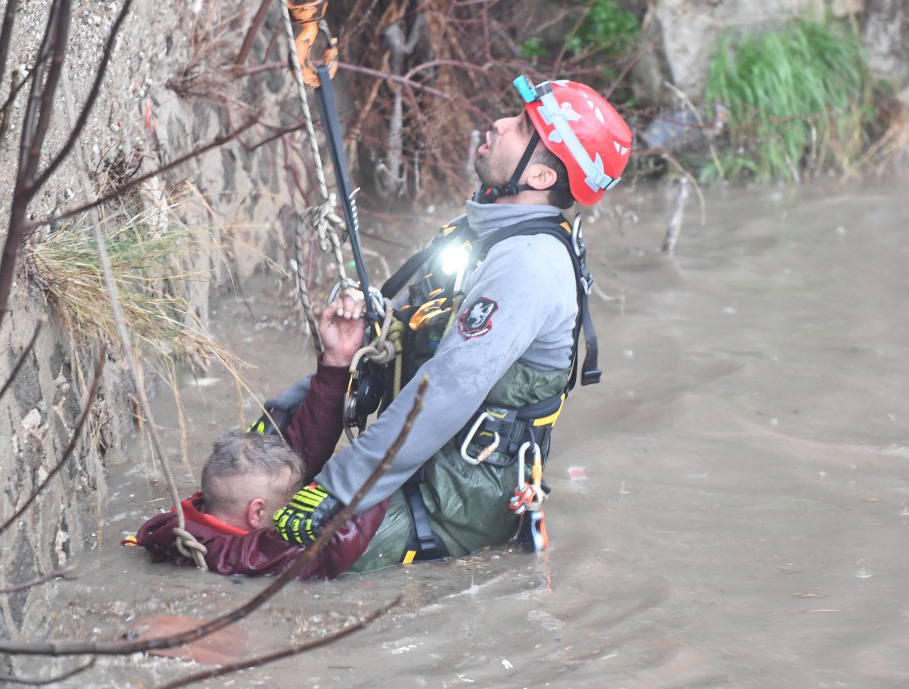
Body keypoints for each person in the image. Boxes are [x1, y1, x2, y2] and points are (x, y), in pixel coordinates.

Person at [273, 76, 632, 572]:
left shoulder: (528, 264)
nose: (499, 123)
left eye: (521, 127)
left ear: (541, 177)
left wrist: (338, 488)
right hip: (419, 468)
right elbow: (401, 337)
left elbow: (445, 390)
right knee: (237, 491)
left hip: (456, 507)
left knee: (274, 556)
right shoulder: (479, 235)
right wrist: (297, 404)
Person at [131, 294, 387, 579]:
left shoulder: (182, 522)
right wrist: (388, 458)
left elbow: (296, 455)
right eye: (294, 497)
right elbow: (330, 551)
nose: (300, 498)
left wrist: (337, 361)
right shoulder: (244, 558)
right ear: (256, 513)